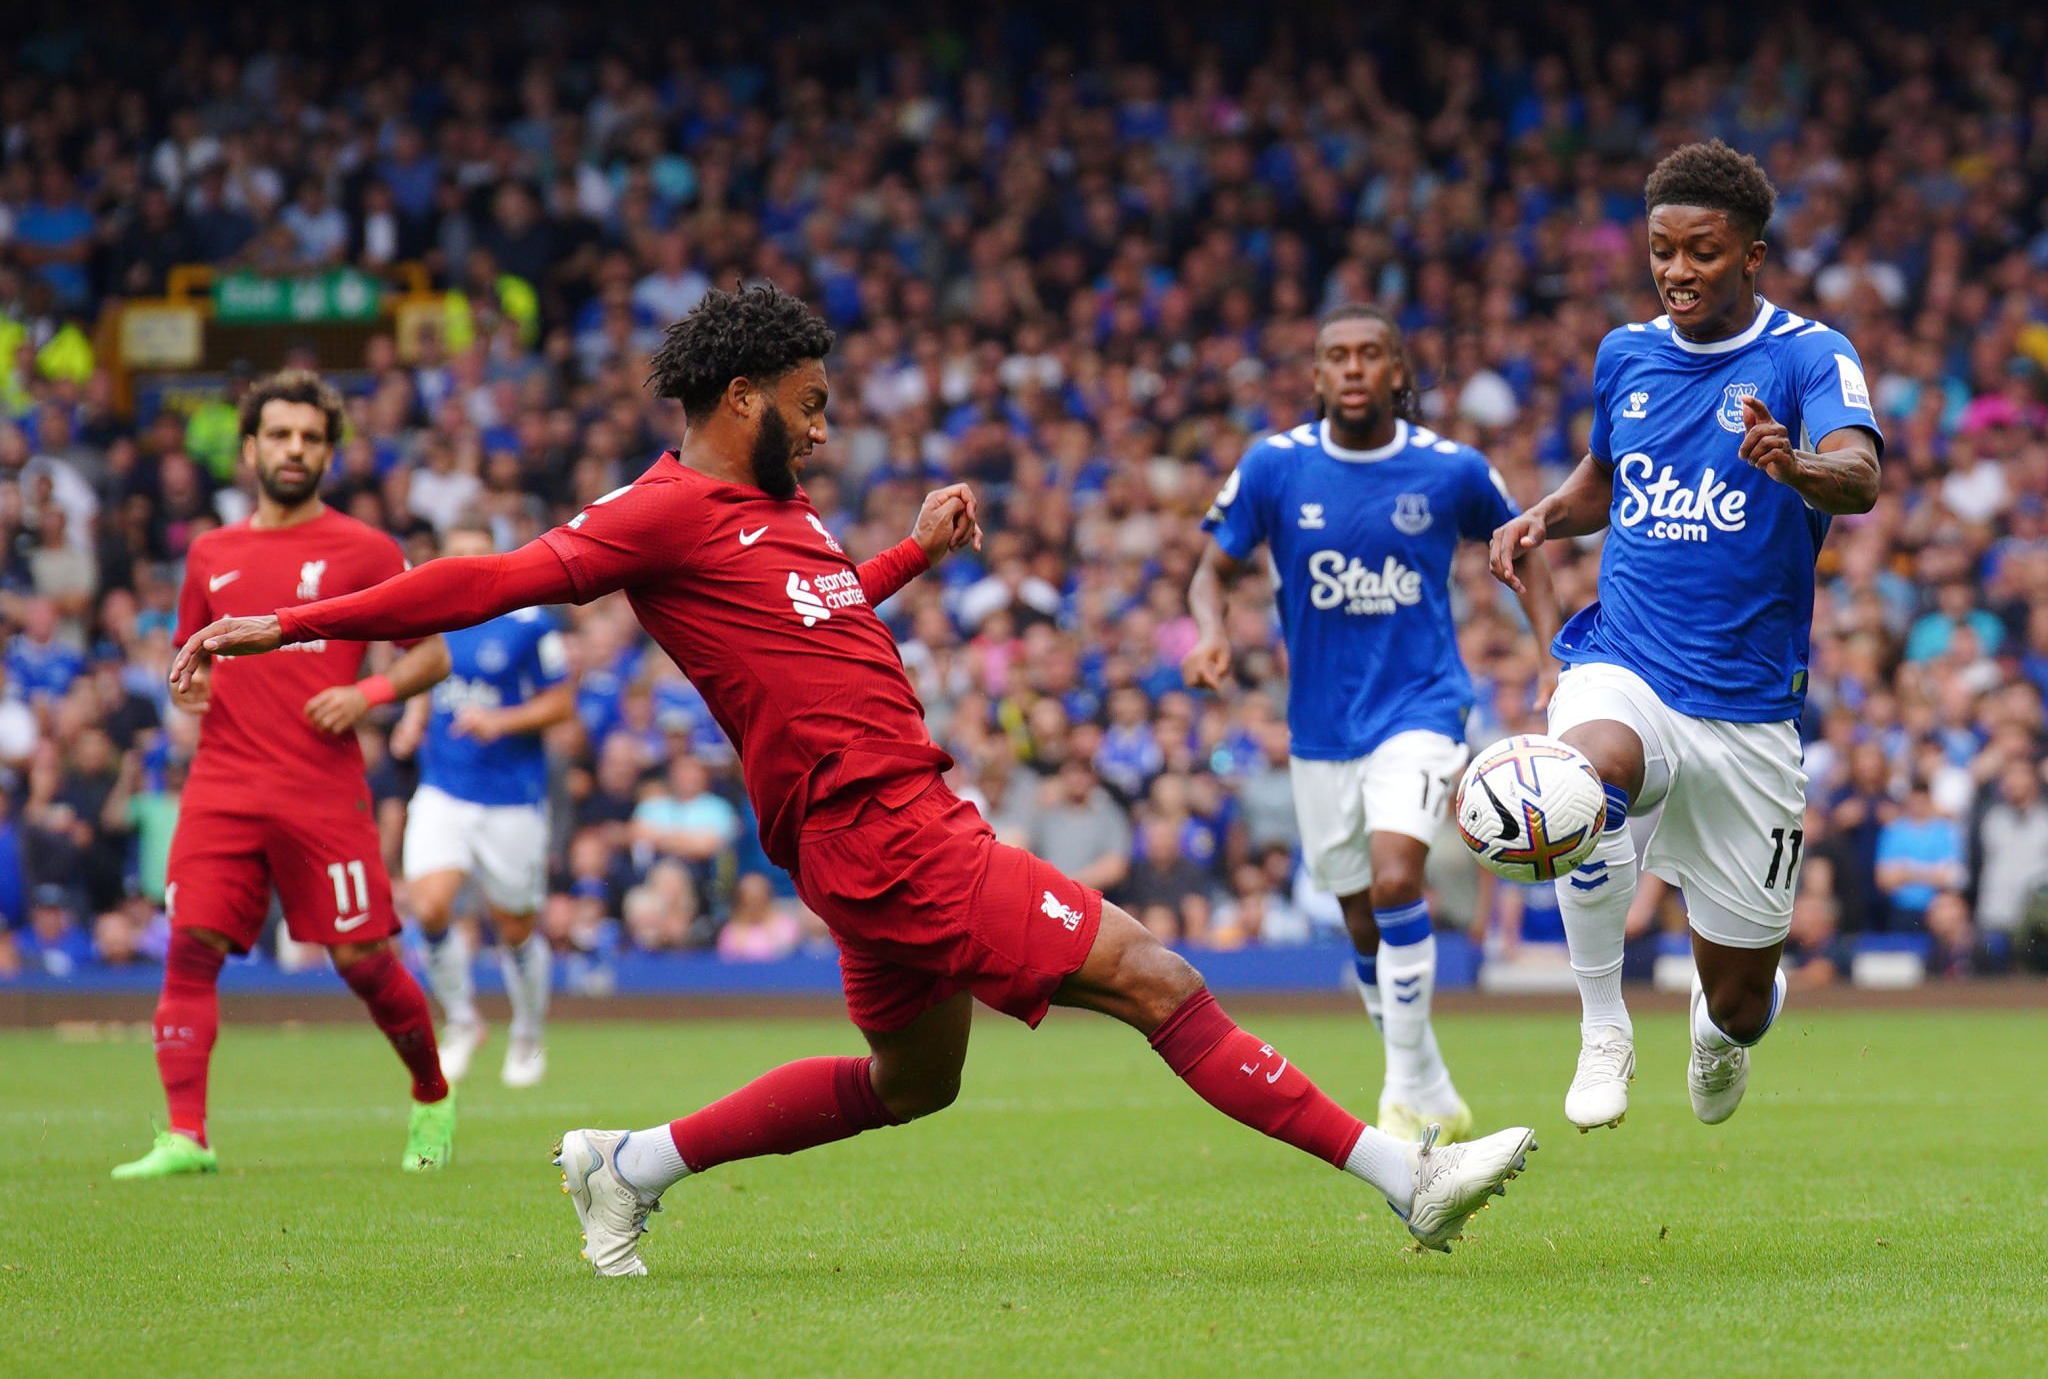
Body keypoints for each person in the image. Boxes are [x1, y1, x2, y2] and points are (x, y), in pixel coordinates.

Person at [175, 284, 1537, 1274]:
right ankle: (1403, 1176)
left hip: (875, 828)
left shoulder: (780, 513)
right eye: (812, 405)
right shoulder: (662, 509)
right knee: (1156, 978)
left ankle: (626, 1163)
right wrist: (288, 624)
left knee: (912, 1081)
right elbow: (489, 579)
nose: (825, 430)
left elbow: (815, 615)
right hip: (882, 827)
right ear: (743, 397)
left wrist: (909, 559)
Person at [1491, 141, 1883, 1131]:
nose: (1676, 270)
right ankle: (1602, 1024)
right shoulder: (1623, 353)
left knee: (1741, 1001)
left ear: (1751, 255)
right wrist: (1545, 514)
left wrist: (1794, 465)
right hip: (1625, 661)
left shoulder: (1807, 355)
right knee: (1579, 777)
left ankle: (1719, 1027)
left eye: (1701, 251)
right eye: (1661, 249)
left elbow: (1861, 476)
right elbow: (1604, 475)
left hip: (1747, 712)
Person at [1185, 304, 1561, 1143]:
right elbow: (1210, 571)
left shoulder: (1451, 469)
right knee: (1360, 918)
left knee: (1396, 880)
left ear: (1398, 372)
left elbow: (1525, 551)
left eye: (1370, 354)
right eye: (1337, 356)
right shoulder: (1275, 466)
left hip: (1421, 705)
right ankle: (1432, 1085)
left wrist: (1548, 657)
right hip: (1321, 730)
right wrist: (1211, 631)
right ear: (1318, 375)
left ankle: (1398, 1095)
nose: (1353, 368)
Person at [114, 370, 458, 1180]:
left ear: (329, 454)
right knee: (189, 947)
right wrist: (188, 681)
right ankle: (186, 1136)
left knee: (363, 960)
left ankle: (432, 1094)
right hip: (223, 784)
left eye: (310, 437)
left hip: (321, 789)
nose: (294, 449)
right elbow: (191, 655)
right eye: (279, 435)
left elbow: (433, 655)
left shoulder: (368, 550)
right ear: (250, 449)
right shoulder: (210, 553)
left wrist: (366, 693)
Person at [389, 514, 575, 1089]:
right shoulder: (428, 617)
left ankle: (528, 1033)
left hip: (512, 798)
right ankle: (463, 1022)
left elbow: (561, 703)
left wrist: (501, 721)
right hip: (444, 789)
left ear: (496, 558)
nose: (467, 564)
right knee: (428, 907)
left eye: (479, 553)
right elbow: (425, 678)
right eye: (458, 553)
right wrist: (414, 718)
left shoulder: (529, 623)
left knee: (514, 925)